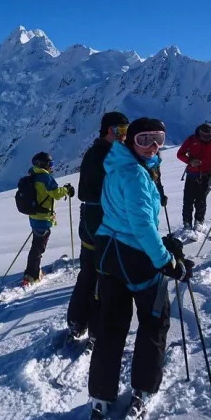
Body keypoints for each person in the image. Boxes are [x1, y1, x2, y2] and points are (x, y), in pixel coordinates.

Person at [86, 118, 195, 420]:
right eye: (145, 138)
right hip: (138, 260)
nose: (153, 145)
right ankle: (143, 391)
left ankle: (101, 398)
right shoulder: (136, 175)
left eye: (158, 138)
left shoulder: (116, 166)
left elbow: (121, 216)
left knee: (110, 327)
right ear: (130, 140)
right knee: (153, 324)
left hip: (109, 255)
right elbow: (142, 225)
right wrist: (166, 259)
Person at [66, 112, 128, 343]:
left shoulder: (94, 153)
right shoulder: (108, 156)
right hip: (104, 222)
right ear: (108, 130)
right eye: (120, 130)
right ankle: (96, 327)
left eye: (126, 131)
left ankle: (77, 320)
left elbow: (84, 192)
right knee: (105, 274)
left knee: (89, 272)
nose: (124, 136)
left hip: (91, 221)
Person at [23, 152, 74, 286]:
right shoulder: (45, 178)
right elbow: (56, 194)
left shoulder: (33, 175)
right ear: (43, 164)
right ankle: (32, 275)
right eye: (50, 164)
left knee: (36, 245)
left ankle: (31, 272)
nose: (52, 167)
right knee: (38, 248)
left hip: (34, 215)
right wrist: (66, 190)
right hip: (43, 217)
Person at [176, 122, 211, 231]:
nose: (206, 138)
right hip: (194, 173)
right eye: (204, 136)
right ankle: (188, 223)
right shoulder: (192, 139)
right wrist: (190, 161)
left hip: (206, 174)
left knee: (200, 199)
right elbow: (180, 154)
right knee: (188, 200)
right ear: (199, 133)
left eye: (208, 136)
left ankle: (198, 221)